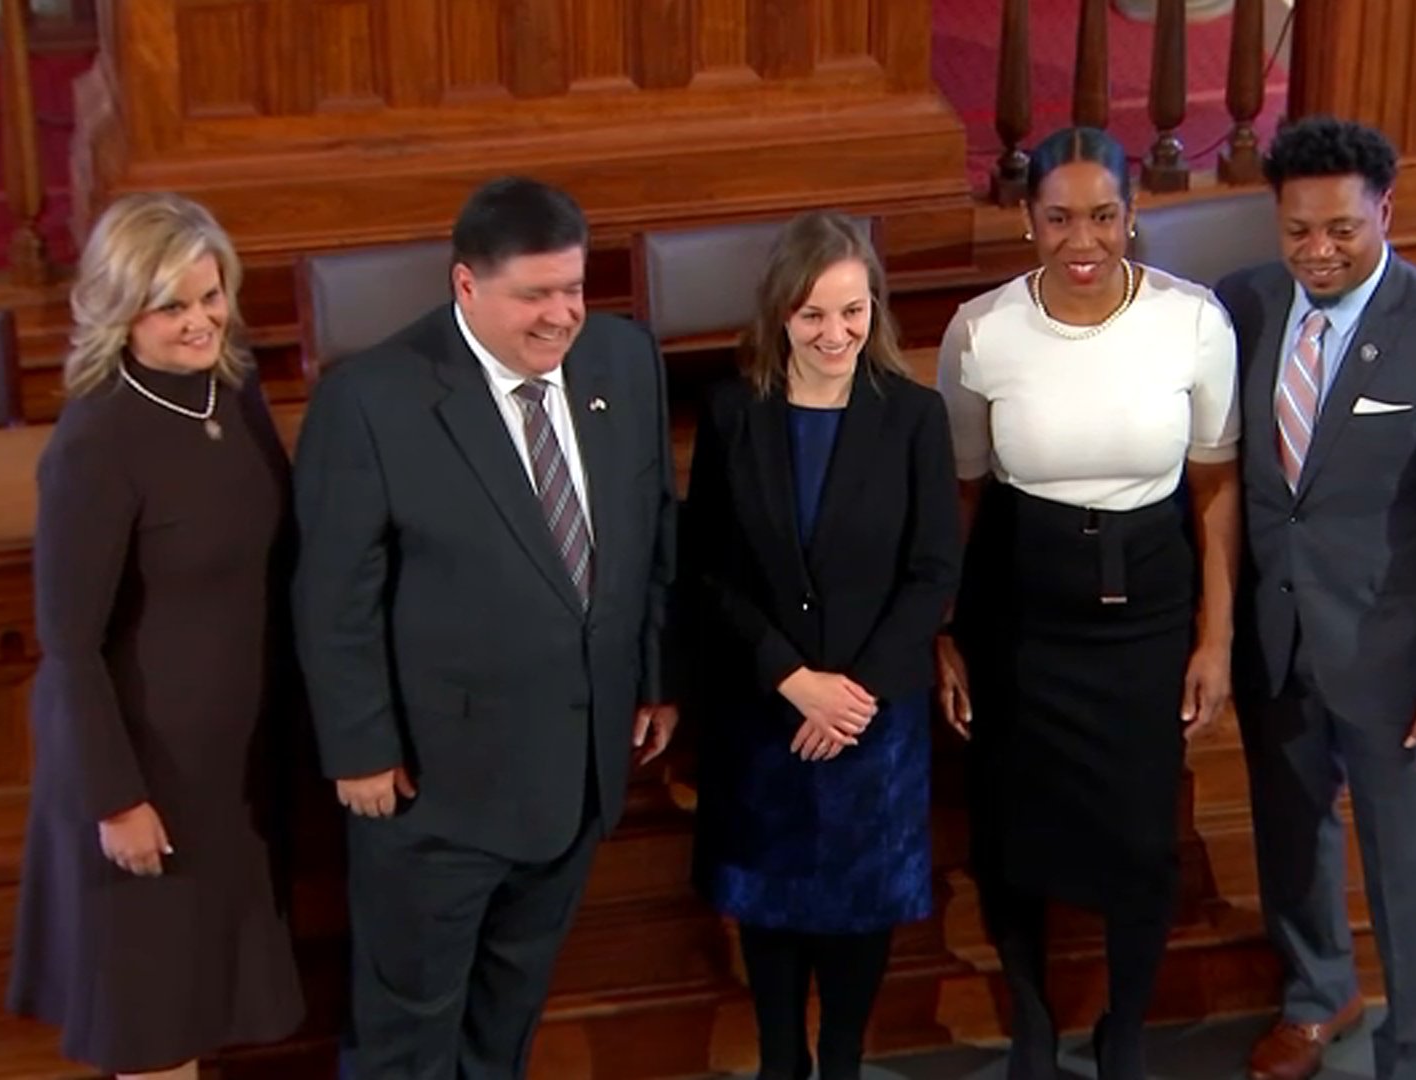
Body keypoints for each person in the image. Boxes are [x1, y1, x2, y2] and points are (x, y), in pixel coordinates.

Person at [292, 176, 679, 1079]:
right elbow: (333, 597)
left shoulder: (624, 361)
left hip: (574, 777)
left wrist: (654, 675)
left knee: (505, 1024)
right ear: (466, 287)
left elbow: (651, 528)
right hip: (434, 793)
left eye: (574, 289)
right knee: (410, 1039)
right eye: (534, 296)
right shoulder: (372, 401)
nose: (561, 317)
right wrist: (358, 748)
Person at [1214, 116, 1416, 1080]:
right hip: (1277, 642)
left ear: (1385, 211)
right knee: (1290, 837)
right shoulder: (1243, 305)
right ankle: (1318, 995)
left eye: (1342, 229)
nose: (1318, 250)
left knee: (1409, 873)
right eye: (1299, 229)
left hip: (1396, 664)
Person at [935, 126, 1242, 1080]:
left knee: (1142, 840)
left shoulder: (1193, 322)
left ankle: (1125, 1032)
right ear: (1026, 221)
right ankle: (1032, 1021)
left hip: (1146, 607)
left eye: (1103, 216)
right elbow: (963, 497)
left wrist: (1215, 638)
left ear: (1132, 217)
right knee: (1013, 831)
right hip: (1020, 610)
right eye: (1060, 217)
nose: (1083, 240)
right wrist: (947, 632)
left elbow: (1215, 490)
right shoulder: (980, 329)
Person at [7, 192, 305, 1080]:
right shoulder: (96, 441)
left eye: (210, 296)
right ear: (118, 311)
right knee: (154, 1032)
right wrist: (116, 800)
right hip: (146, 782)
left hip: (230, 773)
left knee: (204, 1005)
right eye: (171, 305)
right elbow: (69, 643)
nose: (200, 322)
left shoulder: (234, 389)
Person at [682, 212, 961, 1080]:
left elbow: (933, 574)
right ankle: (779, 1062)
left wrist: (855, 693)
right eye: (813, 316)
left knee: (857, 902)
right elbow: (708, 574)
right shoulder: (734, 414)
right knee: (771, 900)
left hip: (875, 720)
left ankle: (840, 1061)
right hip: (766, 712)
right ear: (780, 318)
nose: (836, 334)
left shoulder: (913, 416)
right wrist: (793, 680)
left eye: (853, 311)